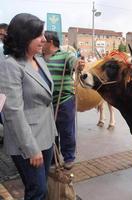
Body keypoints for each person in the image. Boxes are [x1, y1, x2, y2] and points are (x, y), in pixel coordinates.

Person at [0, 13, 57, 199]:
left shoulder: (39, 60)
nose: (44, 39)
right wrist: (31, 148)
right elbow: (13, 112)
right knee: (37, 190)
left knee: (40, 187)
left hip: (47, 135)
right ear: (25, 38)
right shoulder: (10, 66)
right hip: (27, 141)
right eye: (38, 35)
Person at [43, 31, 85, 170]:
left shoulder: (66, 55)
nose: (41, 42)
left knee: (66, 131)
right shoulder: (38, 57)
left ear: (50, 42)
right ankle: (52, 158)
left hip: (64, 100)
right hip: (45, 103)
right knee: (49, 132)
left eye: (43, 39)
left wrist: (79, 65)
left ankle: (69, 157)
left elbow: (74, 63)